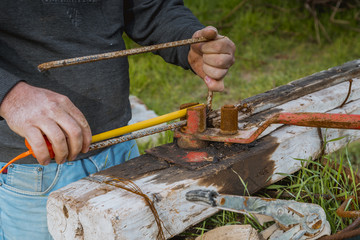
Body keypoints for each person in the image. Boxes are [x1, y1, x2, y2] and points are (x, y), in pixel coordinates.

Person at [0, 0, 235, 239]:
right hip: (36, 169)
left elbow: (150, 7)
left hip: (121, 146)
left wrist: (187, 41)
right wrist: (10, 95)